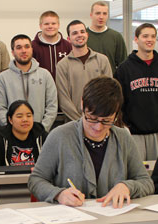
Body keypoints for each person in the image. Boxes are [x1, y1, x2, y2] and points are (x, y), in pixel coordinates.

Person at [28, 76, 154, 208]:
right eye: (92, 118)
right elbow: (36, 180)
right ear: (82, 105)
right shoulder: (60, 136)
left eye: (106, 120)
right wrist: (59, 194)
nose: (98, 127)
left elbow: (146, 182)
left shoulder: (123, 138)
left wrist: (127, 186)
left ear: (116, 114)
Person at [0, 34, 57, 132]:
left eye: (27, 47)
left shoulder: (45, 75)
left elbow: (52, 106)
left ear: (32, 49)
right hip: (12, 135)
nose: (24, 50)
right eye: (19, 47)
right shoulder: (2, 78)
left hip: (40, 134)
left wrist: (41, 129)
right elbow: (0, 108)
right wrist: (12, 130)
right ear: (13, 52)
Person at [114, 23, 158, 161]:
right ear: (136, 39)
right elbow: (118, 102)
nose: (149, 39)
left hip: (157, 132)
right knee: (137, 175)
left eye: (153, 36)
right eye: (145, 36)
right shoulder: (124, 69)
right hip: (134, 134)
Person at [56, 20, 112, 121]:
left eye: (82, 32)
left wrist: (96, 119)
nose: (79, 35)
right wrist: (82, 121)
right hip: (73, 123)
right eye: (75, 33)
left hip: (99, 122)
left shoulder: (102, 60)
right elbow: (63, 100)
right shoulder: (62, 65)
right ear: (68, 39)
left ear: (87, 34)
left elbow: (109, 93)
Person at [0, 100, 47, 166]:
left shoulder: (42, 136)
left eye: (29, 116)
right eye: (19, 116)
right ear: (10, 119)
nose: (25, 119)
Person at [87, 1, 127, 73]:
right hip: (88, 81)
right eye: (98, 13)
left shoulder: (116, 37)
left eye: (104, 13)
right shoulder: (83, 36)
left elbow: (123, 65)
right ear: (91, 15)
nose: (101, 17)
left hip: (110, 81)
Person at [32, 11, 72, 81]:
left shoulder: (68, 46)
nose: (50, 26)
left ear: (58, 25)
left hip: (63, 88)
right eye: (46, 24)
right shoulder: (32, 46)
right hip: (40, 88)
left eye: (53, 23)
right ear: (40, 26)